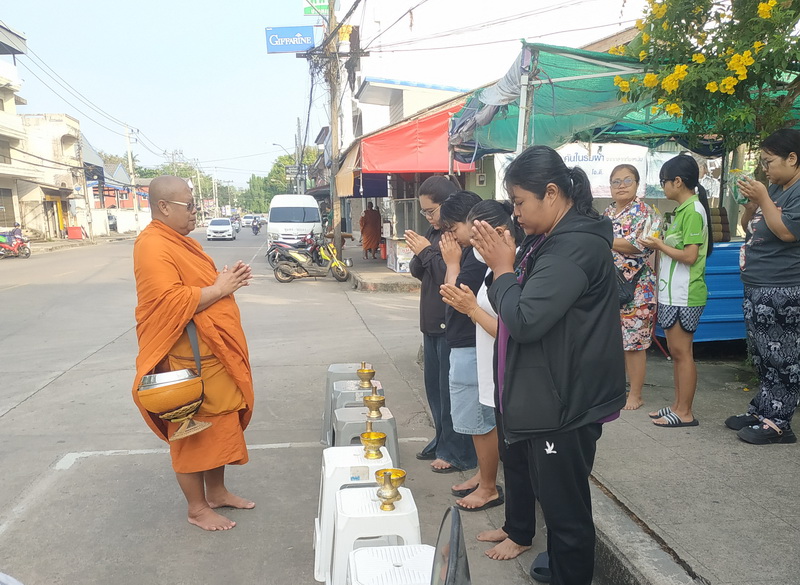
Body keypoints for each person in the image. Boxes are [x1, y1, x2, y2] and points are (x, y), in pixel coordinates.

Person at [472, 145, 625, 585]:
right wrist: (505, 268)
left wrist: (503, 270)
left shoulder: (572, 246)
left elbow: (524, 319)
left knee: (566, 511)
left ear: (552, 193)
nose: (515, 212)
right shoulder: (553, 239)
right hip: (554, 392)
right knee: (556, 503)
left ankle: (569, 571)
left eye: (520, 202)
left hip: (566, 401)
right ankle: (560, 565)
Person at [131, 175, 255, 531]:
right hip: (184, 363)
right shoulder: (151, 245)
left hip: (212, 356)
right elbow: (169, 303)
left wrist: (223, 281)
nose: (195, 212)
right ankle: (197, 509)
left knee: (221, 424)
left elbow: (195, 287)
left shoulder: (182, 243)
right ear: (164, 207)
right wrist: (220, 288)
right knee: (189, 434)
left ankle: (216, 493)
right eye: (189, 205)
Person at [441, 199, 536, 561]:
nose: (472, 244)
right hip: (493, 373)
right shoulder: (491, 268)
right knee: (512, 457)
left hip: (511, 375)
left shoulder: (513, 270)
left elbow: (511, 330)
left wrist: (471, 309)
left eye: (479, 236)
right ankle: (514, 525)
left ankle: (521, 531)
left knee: (519, 459)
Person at [726, 128, 800, 444]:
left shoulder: (795, 192)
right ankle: (763, 411)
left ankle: (779, 423)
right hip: (758, 283)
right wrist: (750, 206)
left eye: (769, 162)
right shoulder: (776, 189)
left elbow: (786, 232)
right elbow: (750, 227)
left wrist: (764, 199)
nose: (765, 169)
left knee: (783, 357)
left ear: (792, 158)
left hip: (783, 287)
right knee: (763, 355)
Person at [437, 191, 504, 512]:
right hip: (467, 342)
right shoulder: (473, 253)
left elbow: (454, 296)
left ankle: (488, 485)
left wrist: (451, 263)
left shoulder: (480, 256)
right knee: (478, 418)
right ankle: (483, 475)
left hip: (473, 344)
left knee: (479, 419)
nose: (452, 236)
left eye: (454, 228)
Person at [407, 176, 477, 474]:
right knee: (435, 390)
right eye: (424, 212)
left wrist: (426, 252)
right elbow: (418, 270)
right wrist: (421, 251)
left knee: (452, 394)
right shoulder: (434, 232)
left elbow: (448, 276)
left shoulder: (456, 235)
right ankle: (441, 440)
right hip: (431, 323)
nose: (428, 217)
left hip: (451, 326)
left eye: (431, 211)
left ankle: (457, 450)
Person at [640, 154, 712, 427]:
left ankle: (685, 411)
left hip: (686, 293)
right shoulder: (683, 210)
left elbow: (690, 256)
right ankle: (677, 405)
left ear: (678, 181)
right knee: (676, 351)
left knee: (682, 353)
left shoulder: (693, 211)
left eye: (664, 182)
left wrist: (658, 245)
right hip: (673, 292)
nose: (663, 187)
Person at [603, 165, 658, 410]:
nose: (621, 186)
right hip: (609, 283)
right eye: (616, 181)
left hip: (637, 286)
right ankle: (616, 389)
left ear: (637, 184)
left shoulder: (645, 212)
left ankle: (636, 394)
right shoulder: (607, 213)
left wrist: (604, 239)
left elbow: (640, 245)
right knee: (613, 340)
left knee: (634, 342)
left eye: (627, 180)